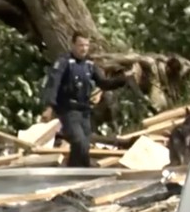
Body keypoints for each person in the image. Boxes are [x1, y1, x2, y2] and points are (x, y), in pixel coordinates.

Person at [40, 31, 132, 167]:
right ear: (73, 45)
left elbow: (104, 83)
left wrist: (123, 78)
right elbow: (54, 84)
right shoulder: (64, 62)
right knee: (79, 141)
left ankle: (77, 171)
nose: (83, 49)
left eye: (86, 45)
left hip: (84, 111)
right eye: (80, 45)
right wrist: (49, 107)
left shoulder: (89, 64)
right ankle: (75, 172)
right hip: (68, 110)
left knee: (85, 144)